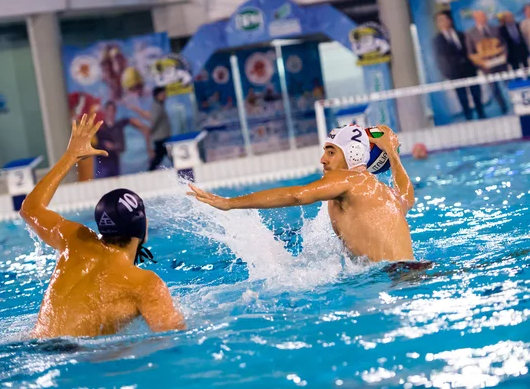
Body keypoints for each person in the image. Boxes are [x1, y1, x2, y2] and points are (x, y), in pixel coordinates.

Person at [20, 113, 185, 339]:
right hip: (73, 361)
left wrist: (70, 156)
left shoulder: (74, 239)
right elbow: (175, 339)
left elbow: (30, 209)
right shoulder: (145, 284)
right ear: (143, 227)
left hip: (31, 346)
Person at [188, 124, 415, 262]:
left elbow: (298, 195)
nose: (322, 159)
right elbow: (407, 195)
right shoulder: (381, 192)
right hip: (410, 271)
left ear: (353, 154)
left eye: (331, 152)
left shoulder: (348, 179)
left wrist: (229, 203)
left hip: (392, 277)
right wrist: (391, 152)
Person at [433, 12, 485, 120]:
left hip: (469, 69)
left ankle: (481, 113)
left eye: (444, 19)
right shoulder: (437, 40)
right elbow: (440, 59)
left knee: (476, 92)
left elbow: (471, 50)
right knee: (462, 97)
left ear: (450, 21)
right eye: (439, 21)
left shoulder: (462, 34)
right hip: (455, 73)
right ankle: (468, 117)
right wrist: (447, 73)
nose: (442, 23)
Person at [465, 10, 508, 114]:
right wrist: (481, 64)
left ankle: (516, 103)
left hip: (501, 63)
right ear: (475, 19)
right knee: (494, 88)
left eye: (484, 16)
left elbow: (504, 44)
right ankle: (503, 107)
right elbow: (470, 52)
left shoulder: (495, 28)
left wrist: (504, 56)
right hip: (486, 67)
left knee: (509, 83)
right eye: (480, 17)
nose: (483, 18)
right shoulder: (470, 33)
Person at [95, 101, 150, 178]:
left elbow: (131, 121)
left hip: (115, 161)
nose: (111, 113)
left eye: (113, 110)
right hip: (103, 162)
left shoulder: (118, 126)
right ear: (105, 111)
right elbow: (94, 144)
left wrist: (143, 128)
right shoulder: (100, 128)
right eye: (109, 110)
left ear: (115, 111)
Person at [148, 87, 172, 171]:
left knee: (162, 156)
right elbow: (154, 121)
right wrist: (150, 131)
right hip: (160, 137)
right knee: (162, 156)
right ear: (157, 96)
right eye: (162, 94)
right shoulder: (157, 107)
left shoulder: (160, 105)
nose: (164, 96)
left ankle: (150, 171)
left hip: (162, 136)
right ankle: (150, 172)